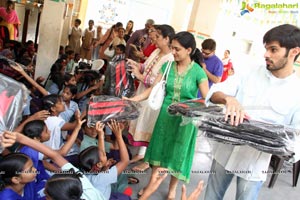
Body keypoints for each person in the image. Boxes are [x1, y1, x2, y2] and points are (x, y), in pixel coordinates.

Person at [204, 24, 300, 200]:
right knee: (211, 196)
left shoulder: (296, 93)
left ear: (294, 52)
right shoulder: (249, 72)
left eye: (273, 50)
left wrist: (275, 142)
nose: (266, 54)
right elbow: (214, 92)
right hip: (224, 152)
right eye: (266, 49)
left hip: (255, 164)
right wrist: (229, 99)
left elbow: (295, 138)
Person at [124, 31, 209, 199]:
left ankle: (172, 189)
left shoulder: (198, 72)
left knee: (178, 155)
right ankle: (151, 186)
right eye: (172, 48)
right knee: (158, 152)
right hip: (165, 117)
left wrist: (191, 107)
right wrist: (133, 99)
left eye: (177, 49)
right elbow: (152, 89)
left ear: (189, 50)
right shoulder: (168, 66)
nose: (173, 52)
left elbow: (207, 99)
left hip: (185, 121)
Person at [126, 24, 175, 172]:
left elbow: (159, 84)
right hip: (143, 92)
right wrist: (136, 65)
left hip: (153, 98)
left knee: (149, 127)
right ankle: (141, 155)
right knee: (141, 123)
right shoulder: (157, 51)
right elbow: (146, 67)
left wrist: (140, 76)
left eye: (158, 37)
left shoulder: (169, 59)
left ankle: (147, 161)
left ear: (167, 39)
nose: (154, 39)